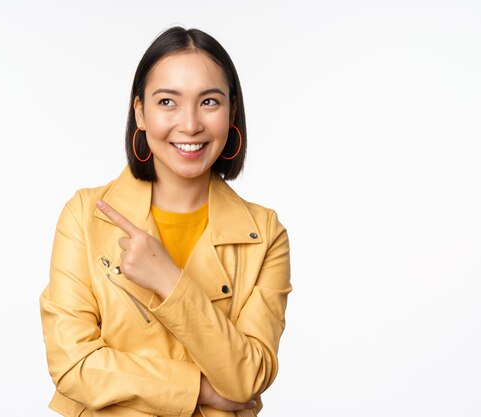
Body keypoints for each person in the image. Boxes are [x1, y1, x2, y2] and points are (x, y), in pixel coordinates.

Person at [39, 26, 292, 417]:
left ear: (232, 111)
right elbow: (73, 365)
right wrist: (200, 390)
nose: (190, 124)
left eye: (209, 101)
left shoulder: (264, 235)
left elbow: (248, 378)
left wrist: (168, 281)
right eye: (168, 102)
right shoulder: (84, 216)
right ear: (140, 112)